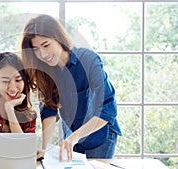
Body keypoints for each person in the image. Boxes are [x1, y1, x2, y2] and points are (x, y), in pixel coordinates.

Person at [20, 14, 122, 161]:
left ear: (59, 38)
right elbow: (49, 111)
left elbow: (107, 110)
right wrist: (46, 149)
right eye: (36, 49)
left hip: (100, 135)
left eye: (46, 45)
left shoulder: (88, 60)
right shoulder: (47, 72)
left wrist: (73, 138)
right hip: (73, 138)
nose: (42, 54)